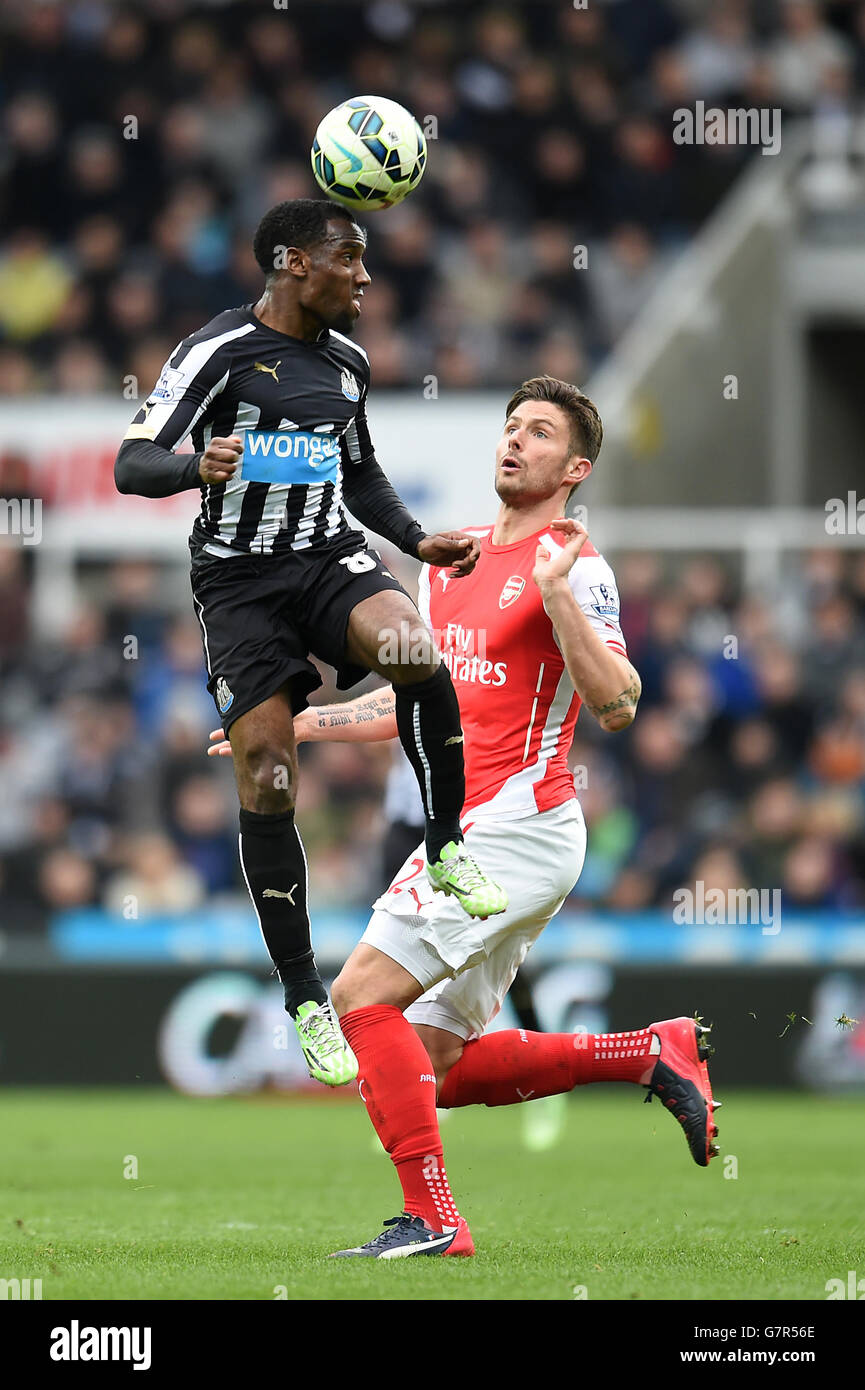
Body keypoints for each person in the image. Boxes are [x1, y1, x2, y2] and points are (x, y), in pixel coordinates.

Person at [209, 375, 720, 1258]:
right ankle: (647, 1051)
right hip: (480, 833)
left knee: (359, 998)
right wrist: (296, 724)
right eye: (510, 426)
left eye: (539, 433)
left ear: (576, 468)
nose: (514, 441)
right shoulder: (447, 563)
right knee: (431, 1062)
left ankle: (435, 1221)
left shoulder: (575, 566)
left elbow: (620, 704)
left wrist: (558, 597)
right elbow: (417, 708)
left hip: (516, 823)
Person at [114, 198, 506, 1089]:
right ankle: (302, 994)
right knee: (267, 773)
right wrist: (193, 467)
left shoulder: (349, 364)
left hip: (328, 557)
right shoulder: (217, 352)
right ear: (294, 263)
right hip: (240, 585)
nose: (365, 277)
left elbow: (356, 470)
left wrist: (415, 542)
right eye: (350, 259)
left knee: (413, 646)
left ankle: (444, 845)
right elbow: (130, 464)